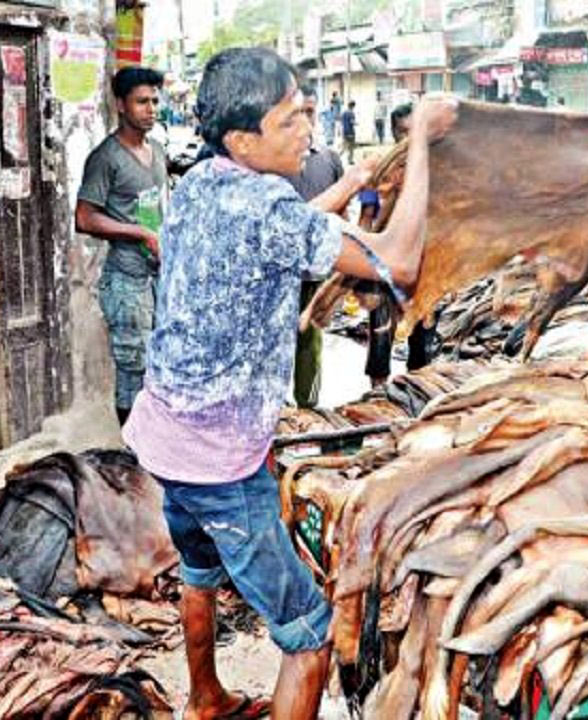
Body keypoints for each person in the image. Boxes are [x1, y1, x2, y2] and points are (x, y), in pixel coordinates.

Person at [122, 47, 455, 720]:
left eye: (307, 111)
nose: (308, 128)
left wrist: (354, 178)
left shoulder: (201, 181)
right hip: (220, 463)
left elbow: (290, 229)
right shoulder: (268, 208)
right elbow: (401, 262)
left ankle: (207, 699)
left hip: (165, 437)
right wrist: (419, 143)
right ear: (244, 140)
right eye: (291, 119)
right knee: (309, 636)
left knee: (199, 570)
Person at [75, 66, 168, 426]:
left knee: (159, 366)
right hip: (126, 280)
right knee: (133, 372)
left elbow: (158, 205)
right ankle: (131, 454)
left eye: (155, 101)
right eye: (141, 101)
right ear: (121, 105)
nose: (151, 109)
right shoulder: (106, 158)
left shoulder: (157, 150)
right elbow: (84, 218)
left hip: (157, 276)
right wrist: (141, 234)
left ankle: (154, 446)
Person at [364, 104, 439, 386]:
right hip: (384, 265)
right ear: (393, 132)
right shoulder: (379, 170)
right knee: (381, 336)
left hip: (425, 267)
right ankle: (378, 399)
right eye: (403, 131)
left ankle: (414, 398)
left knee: (422, 340)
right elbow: (367, 218)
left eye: (415, 131)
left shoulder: (436, 172)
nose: (409, 138)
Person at [287, 87, 353, 410]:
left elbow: (343, 215)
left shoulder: (328, 160)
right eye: (297, 112)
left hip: (315, 269)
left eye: (310, 112)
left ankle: (306, 409)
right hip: (278, 271)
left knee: (309, 343)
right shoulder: (273, 163)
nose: (305, 120)